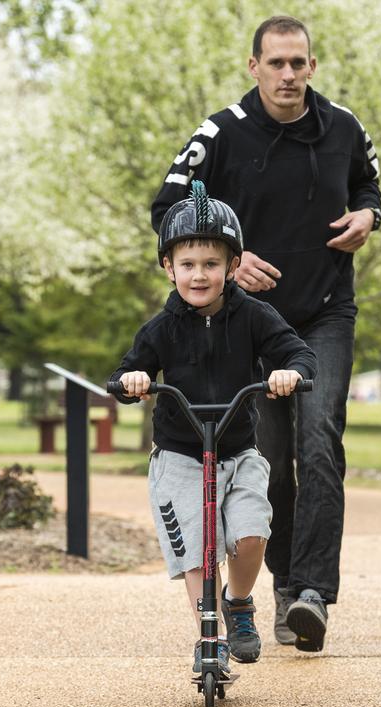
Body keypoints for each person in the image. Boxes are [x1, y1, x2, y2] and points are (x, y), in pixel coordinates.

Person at [150, 15, 381, 653]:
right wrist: (232, 255)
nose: (288, 75)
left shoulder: (343, 126)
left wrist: (369, 214)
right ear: (254, 66)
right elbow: (166, 207)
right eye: (276, 63)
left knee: (320, 440)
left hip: (328, 311)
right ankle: (281, 589)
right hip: (254, 324)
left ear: (312, 65)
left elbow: (368, 183)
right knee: (271, 463)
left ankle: (312, 593)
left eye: (299, 63)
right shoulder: (220, 133)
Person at [111, 181, 317, 669]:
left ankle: (240, 602)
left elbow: (297, 352)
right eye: (187, 265)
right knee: (198, 557)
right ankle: (212, 633)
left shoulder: (254, 317)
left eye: (211, 264)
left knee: (250, 535)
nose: (199, 275)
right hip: (180, 456)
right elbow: (123, 373)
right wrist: (133, 380)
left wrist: (290, 373)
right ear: (169, 268)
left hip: (239, 451)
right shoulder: (161, 328)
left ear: (231, 266)